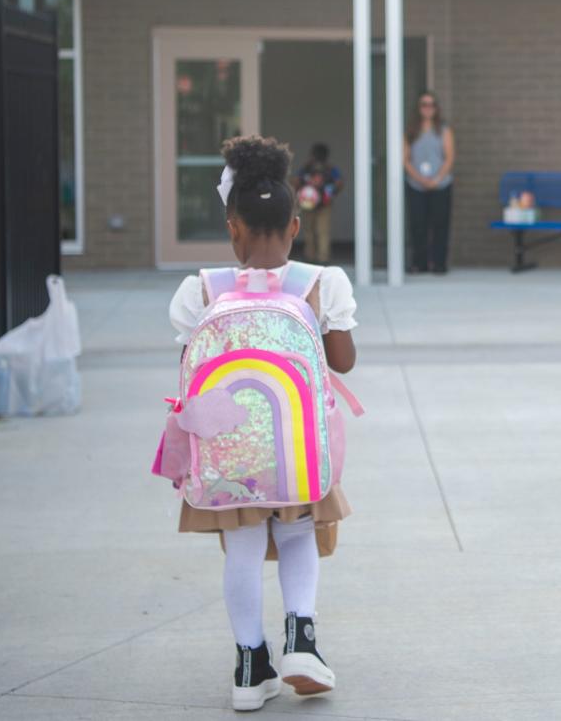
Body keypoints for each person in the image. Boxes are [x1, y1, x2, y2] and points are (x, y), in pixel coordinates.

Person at [168, 135, 358, 711]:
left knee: (244, 547)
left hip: (230, 454)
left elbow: (189, 370)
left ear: (233, 228)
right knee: (299, 532)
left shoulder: (200, 289)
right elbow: (342, 362)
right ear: (296, 225)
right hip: (298, 447)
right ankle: (302, 639)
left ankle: (250, 665)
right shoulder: (323, 283)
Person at [404, 91, 456, 274]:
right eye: (424, 105)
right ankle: (420, 263)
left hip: (441, 185)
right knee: (418, 225)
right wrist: (420, 179)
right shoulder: (411, 130)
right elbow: (406, 160)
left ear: (436, 108)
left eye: (431, 104)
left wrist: (436, 179)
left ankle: (439, 263)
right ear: (419, 108)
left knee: (440, 224)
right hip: (416, 185)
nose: (428, 108)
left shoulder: (443, 130)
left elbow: (449, 158)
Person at [295, 143, 343, 265]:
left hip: (308, 203)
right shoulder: (331, 168)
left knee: (309, 231)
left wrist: (303, 191)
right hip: (324, 204)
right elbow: (339, 183)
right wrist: (330, 194)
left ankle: (309, 257)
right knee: (323, 232)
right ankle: (323, 259)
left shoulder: (307, 167)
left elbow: (296, 181)